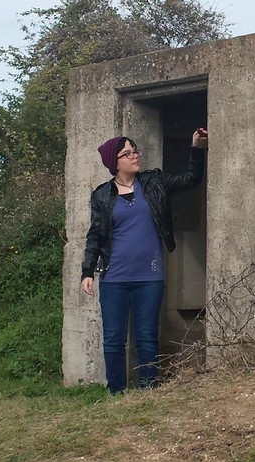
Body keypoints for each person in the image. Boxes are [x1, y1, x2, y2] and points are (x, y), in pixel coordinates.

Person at [81, 128, 208, 393]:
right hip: (114, 277)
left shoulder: (154, 183)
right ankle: (116, 391)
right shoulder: (101, 195)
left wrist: (196, 148)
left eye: (135, 150)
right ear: (114, 163)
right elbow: (95, 235)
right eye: (127, 153)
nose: (134, 155)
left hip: (150, 276)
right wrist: (87, 271)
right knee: (114, 339)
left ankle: (148, 390)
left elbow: (190, 179)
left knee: (147, 337)